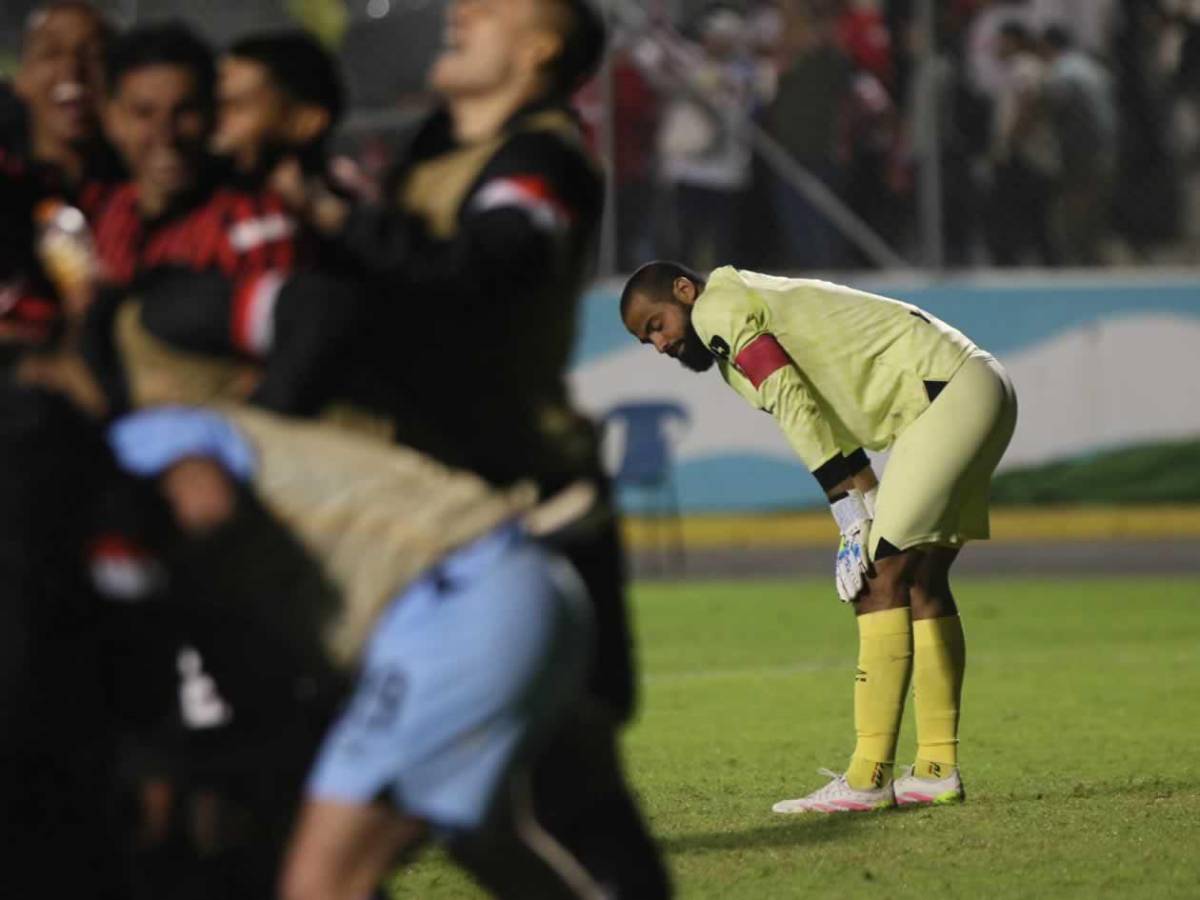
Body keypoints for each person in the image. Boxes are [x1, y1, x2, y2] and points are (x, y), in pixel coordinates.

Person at [275, 0, 669, 892]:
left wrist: (337, 219)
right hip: (425, 516)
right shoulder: (430, 148)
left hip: (529, 513)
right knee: (536, 805)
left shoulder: (543, 162)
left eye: (491, 6)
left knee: (566, 795)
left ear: (540, 50)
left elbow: (483, 279)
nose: (460, 10)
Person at [620, 261, 1017, 814]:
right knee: (920, 581)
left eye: (657, 325)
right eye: (647, 340)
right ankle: (934, 769)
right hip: (977, 387)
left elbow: (788, 396)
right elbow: (827, 420)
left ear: (684, 292)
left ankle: (867, 778)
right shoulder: (744, 310)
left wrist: (846, 512)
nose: (659, 344)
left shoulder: (718, 308)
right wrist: (867, 499)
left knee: (876, 583)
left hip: (946, 397)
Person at [89, 21, 356, 417]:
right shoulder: (110, 212)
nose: (165, 135)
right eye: (143, 113)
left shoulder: (251, 222)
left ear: (212, 115)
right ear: (111, 119)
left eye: (185, 112)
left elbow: (298, 349)